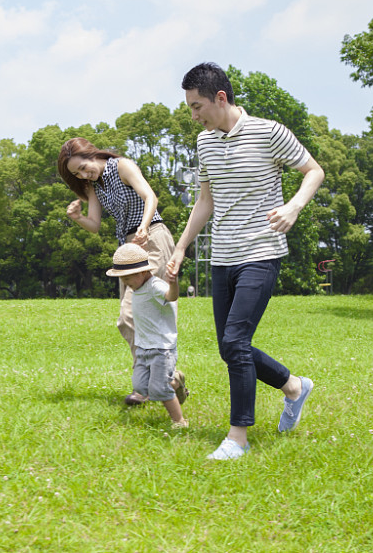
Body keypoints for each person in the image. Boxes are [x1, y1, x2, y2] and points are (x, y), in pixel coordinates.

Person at [166, 62, 325, 461]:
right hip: (224, 255)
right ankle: (293, 387)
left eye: (197, 106)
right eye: (190, 107)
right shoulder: (205, 143)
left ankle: (238, 436)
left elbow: (313, 171)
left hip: (261, 251)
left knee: (236, 341)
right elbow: (206, 201)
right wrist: (182, 246)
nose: (194, 115)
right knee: (229, 345)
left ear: (221, 98)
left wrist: (294, 206)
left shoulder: (269, 132)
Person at [58, 137, 177, 405]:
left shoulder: (122, 166)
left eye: (84, 167)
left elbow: (150, 196)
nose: (83, 174)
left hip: (151, 240)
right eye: (77, 174)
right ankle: (159, 380)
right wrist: (77, 218)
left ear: (93, 154)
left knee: (133, 316)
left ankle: (154, 382)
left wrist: (144, 227)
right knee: (130, 320)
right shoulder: (93, 187)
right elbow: (95, 225)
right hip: (127, 251)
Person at [106, 242, 188, 428]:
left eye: (127, 279)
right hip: (143, 347)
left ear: (141, 272)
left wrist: (173, 283)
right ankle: (175, 381)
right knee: (141, 387)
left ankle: (180, 421)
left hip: (161, 348)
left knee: (159, 389)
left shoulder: (154, 286)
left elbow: (171, 297)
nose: (125, 284)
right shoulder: (137, 287)